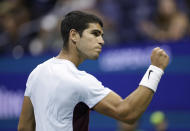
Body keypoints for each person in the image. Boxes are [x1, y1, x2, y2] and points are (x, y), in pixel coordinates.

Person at [18, 11, 169, 131]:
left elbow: (24, 127)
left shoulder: (36, 73)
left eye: (102, 36)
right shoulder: (79, 81)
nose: (102, 41)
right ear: (74, 35)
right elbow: (128, 112)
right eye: (95, 34)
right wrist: (155, 69)